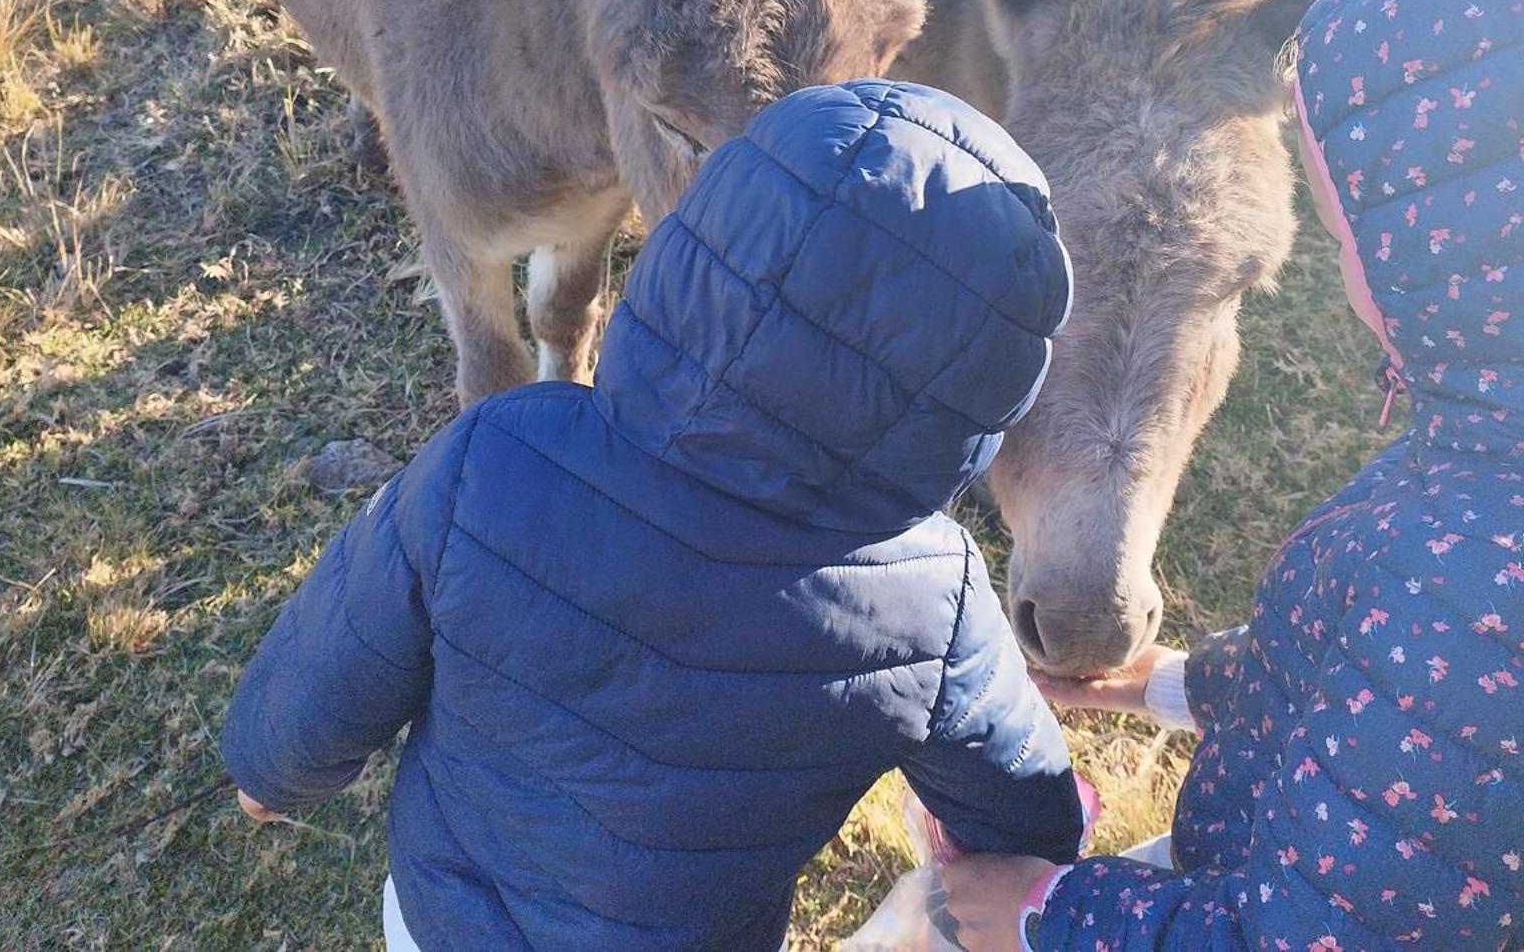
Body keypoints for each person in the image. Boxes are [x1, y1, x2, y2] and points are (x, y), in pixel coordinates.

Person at [941, 0, 1524, 951]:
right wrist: (1171, 682)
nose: (1334, 233)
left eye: (1357, 213)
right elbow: (1385, 682)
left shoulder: (1515, 587)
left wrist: (1045, 915)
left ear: (1487, 249)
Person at [222, 80, 1087, 951]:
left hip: (445, 918)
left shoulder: (497, 455)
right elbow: (1025, 805)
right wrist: (1033, 867)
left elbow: (350, 633)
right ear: (976, 388)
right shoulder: (933, 605)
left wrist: (271, 765)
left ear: (699, 249)